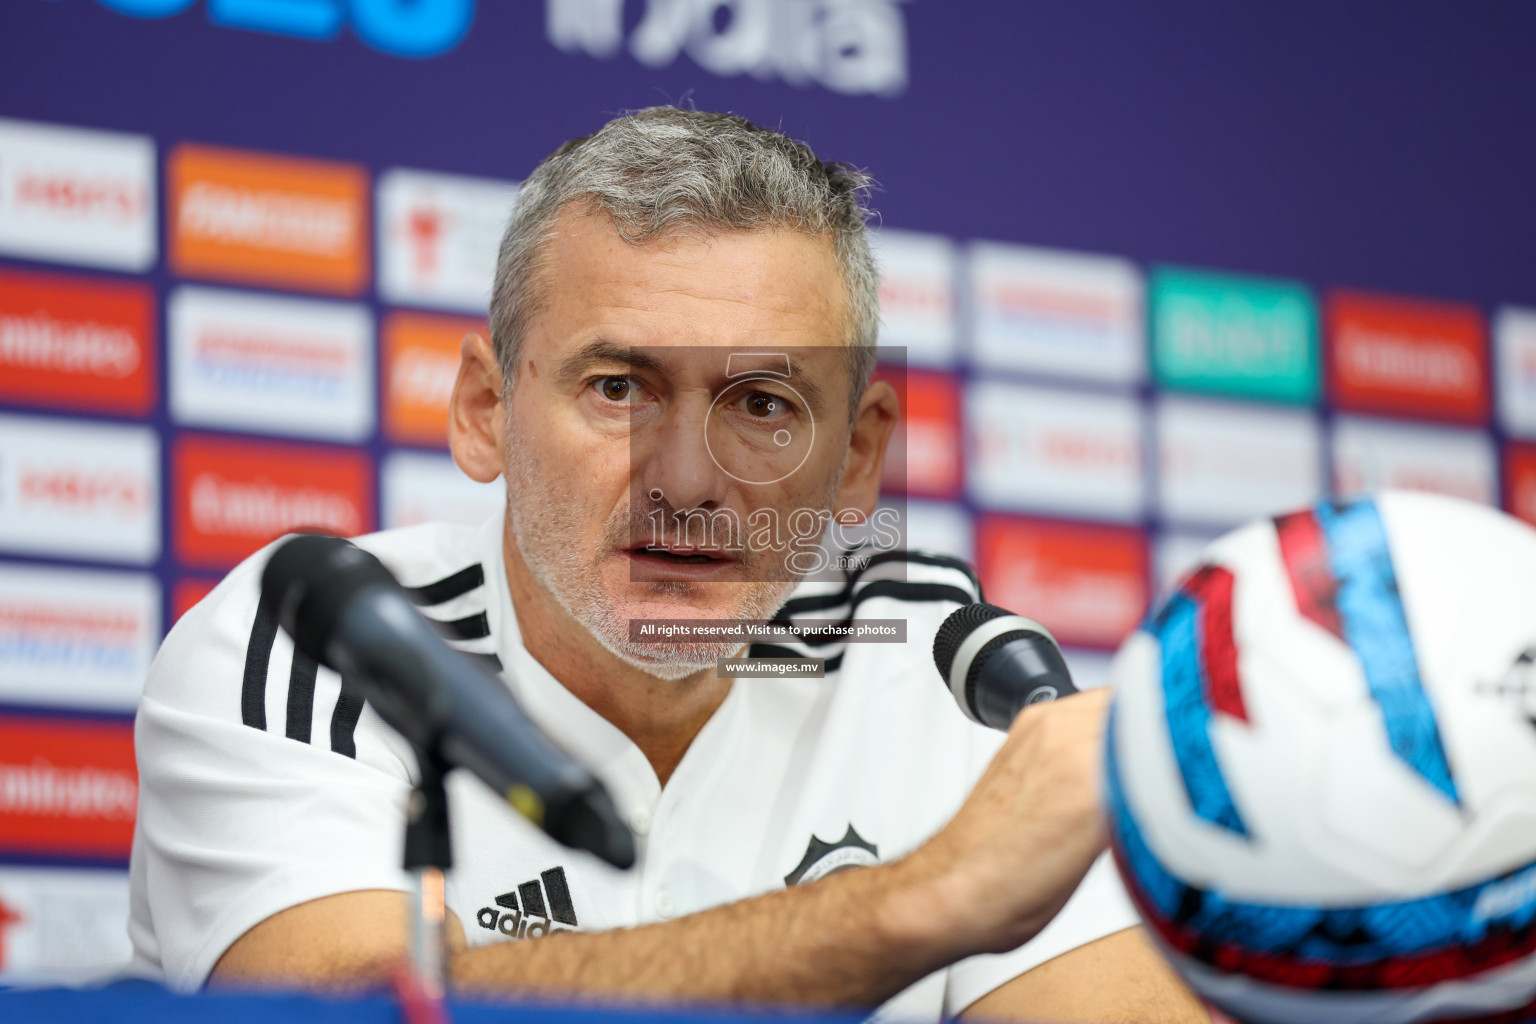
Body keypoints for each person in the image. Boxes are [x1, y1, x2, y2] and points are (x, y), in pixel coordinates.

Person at [128, 107, 1206, 1022]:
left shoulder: (952, 675)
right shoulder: (322, 639)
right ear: (485, 409)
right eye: (618, 388)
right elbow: (351, 1008)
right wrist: (924, 899)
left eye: (764, 405)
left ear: (858, 457)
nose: (685, 482)